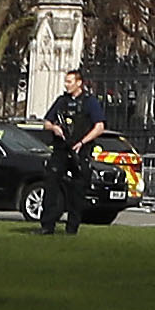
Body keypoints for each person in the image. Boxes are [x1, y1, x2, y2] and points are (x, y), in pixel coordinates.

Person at [33, 65, 106, 237]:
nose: (66, 85)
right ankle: (47, 226)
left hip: (80, 151)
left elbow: (100, 126)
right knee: (51, 185)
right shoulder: (61, 101)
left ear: (79, 83)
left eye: (69, 81)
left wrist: (82, 142)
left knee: (77, 190)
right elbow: (46, 122)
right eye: (65, 81)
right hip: (60, 149)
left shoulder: (90, 102)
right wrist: (55, 128)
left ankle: (72, 228)